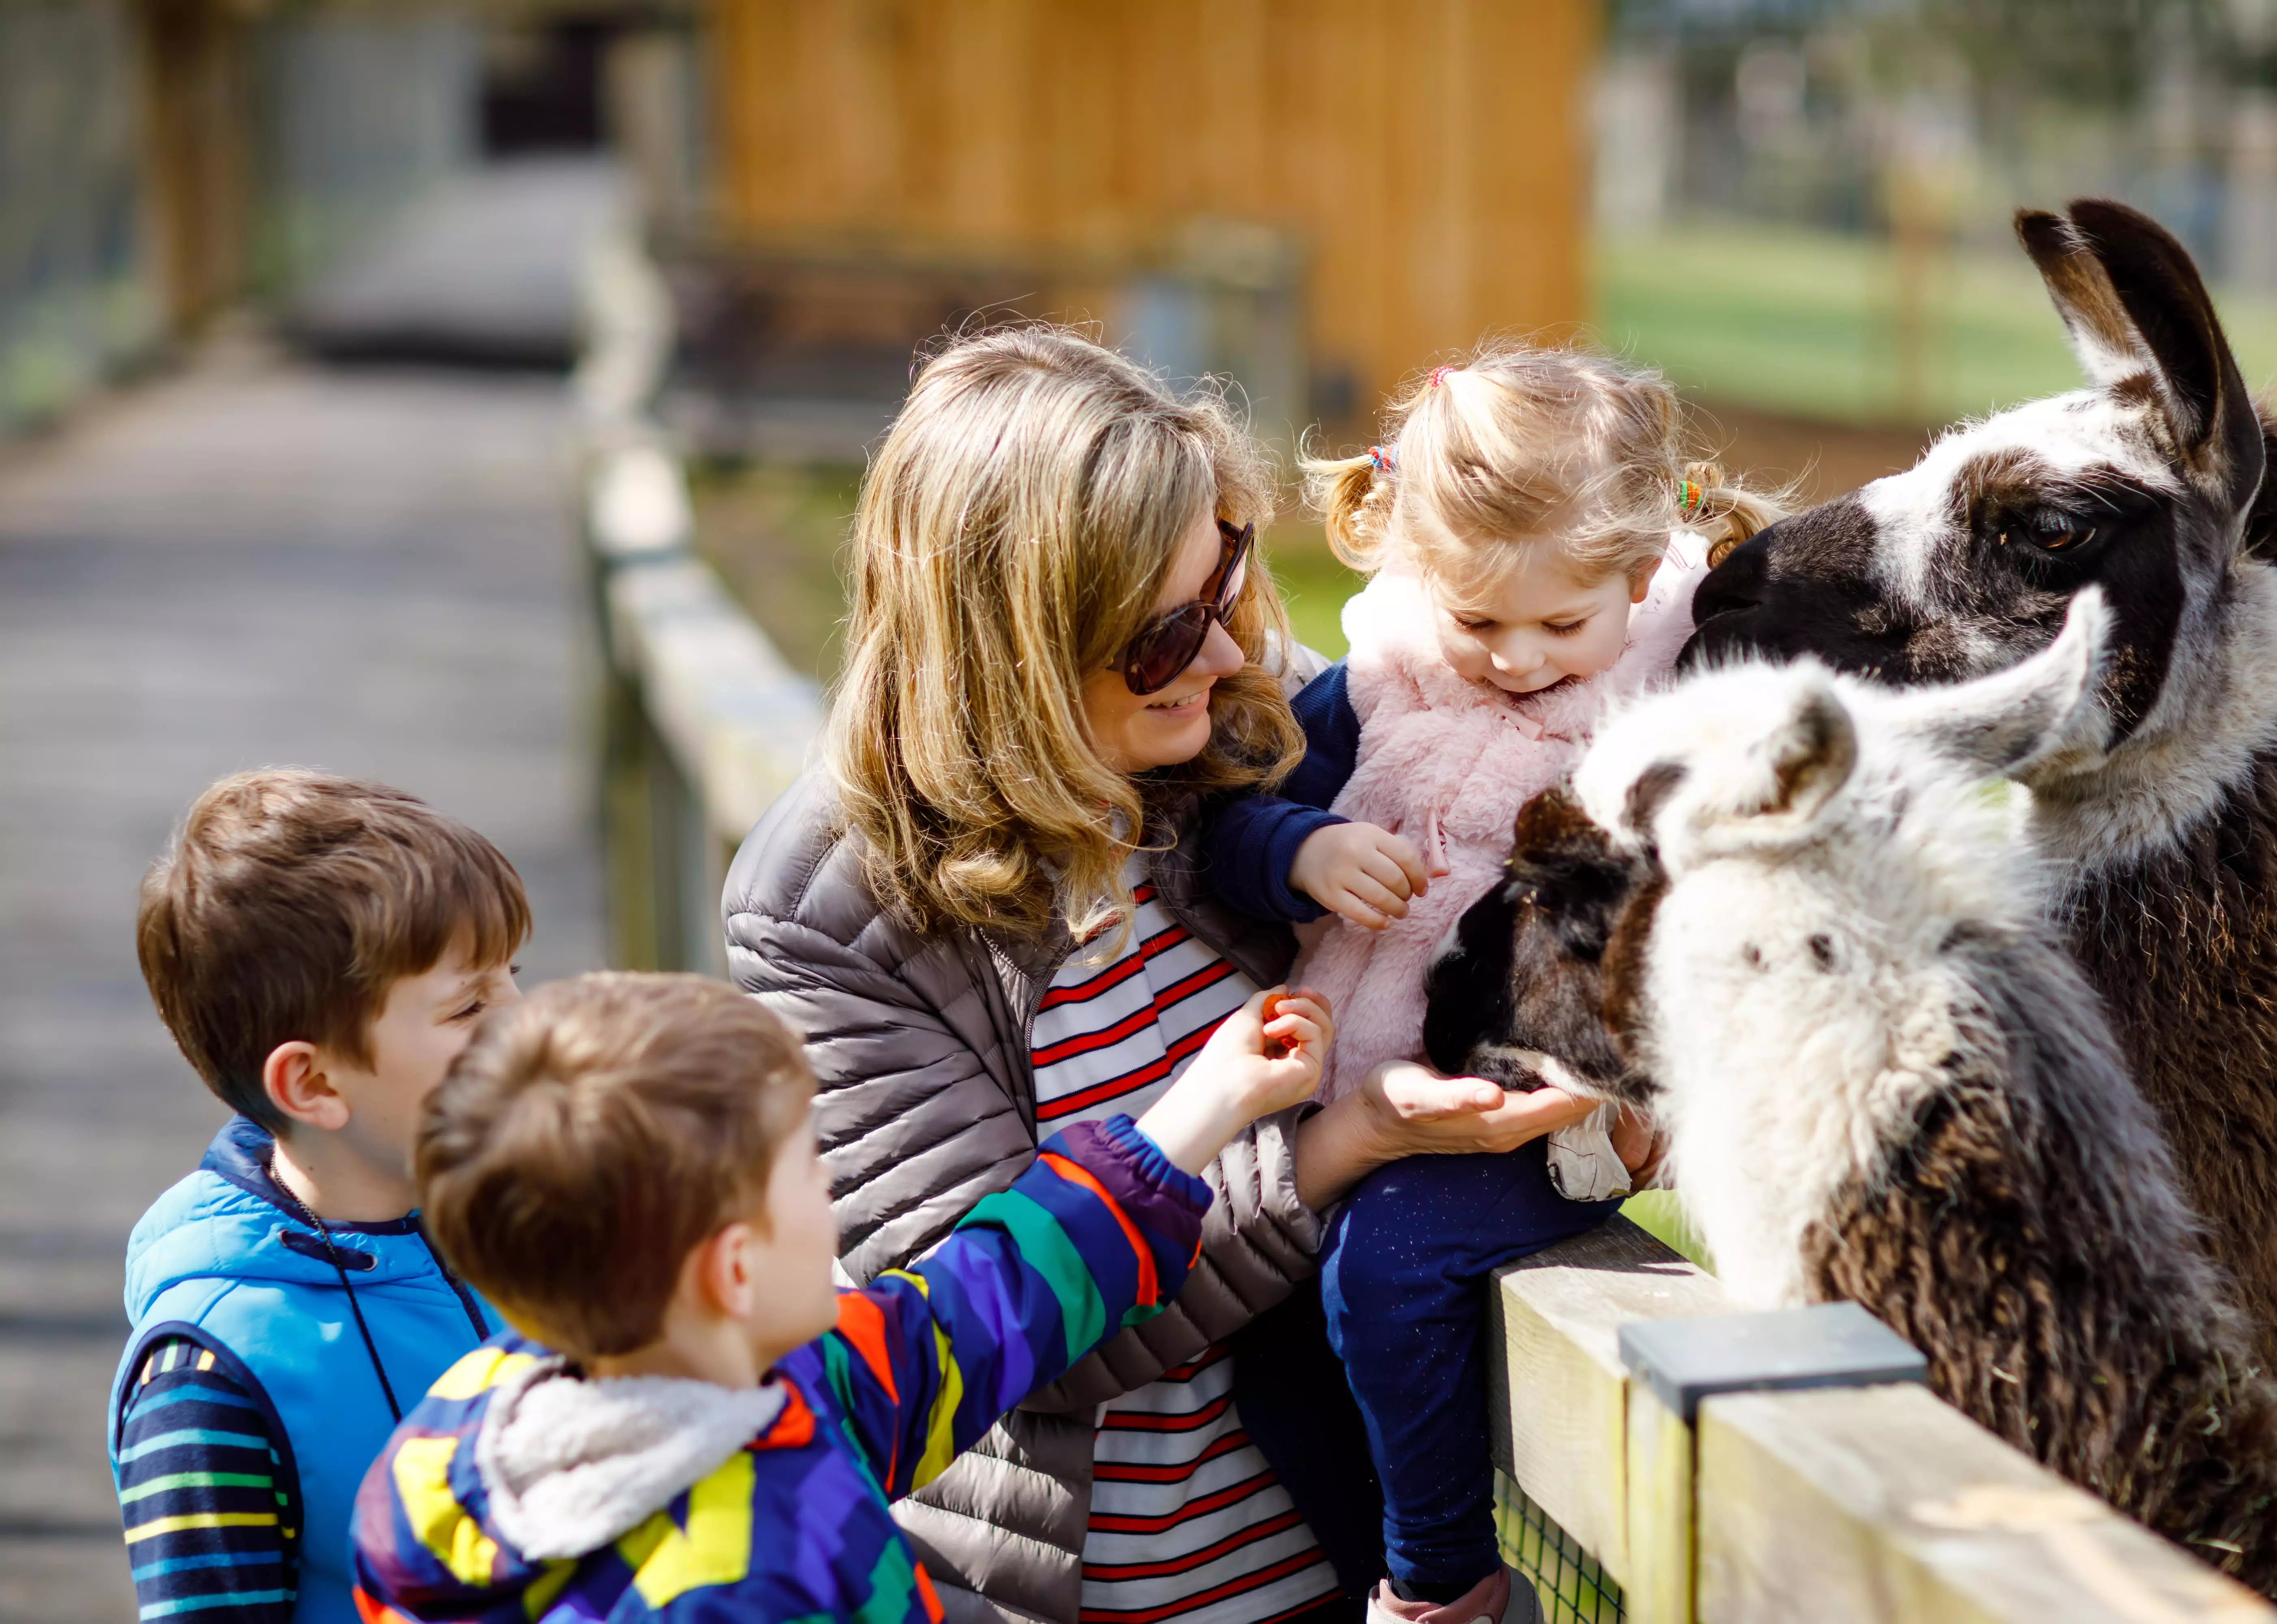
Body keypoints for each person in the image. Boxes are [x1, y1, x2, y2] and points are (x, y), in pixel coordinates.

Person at [724, 326, 1596, 1624]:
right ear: (1014, 642)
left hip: (1349, 1563)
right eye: (1164, 632)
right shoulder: (834, 911)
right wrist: (1338, 1145)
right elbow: (993, 1332)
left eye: (1229, 577)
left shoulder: (1265, 735)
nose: (1230, 654)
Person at [1199, 347, 1779, 1624]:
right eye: (1480, 621)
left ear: (1640, 579)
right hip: (1370, 1081)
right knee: (1280, 1363)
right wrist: (1305, 850)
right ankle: (1362, 1566)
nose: (1517, 658)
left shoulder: (1678, 704)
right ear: (1421, 576)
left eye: (1561, 626)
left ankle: (1444, 1583)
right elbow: (1225, 841)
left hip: (1552, 1115)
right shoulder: (1386, 685)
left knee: (1389, 1268)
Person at [350, 970, 1331, 1622]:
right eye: (803, 1169)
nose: (828, 1193)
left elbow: (964, 1315)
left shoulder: (480, 1422)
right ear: (734, 1269)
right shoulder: (747, 1575)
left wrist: (1207, 1107)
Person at [111, 769, 527, 1624]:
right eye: (469, 1004)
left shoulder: (541, 1226)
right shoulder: (211, 1386)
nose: (524, 1019)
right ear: (313, 1081)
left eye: (514, 976)